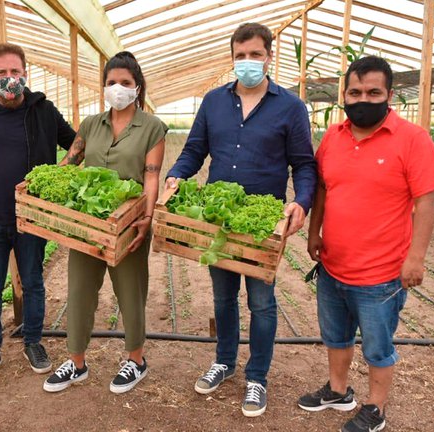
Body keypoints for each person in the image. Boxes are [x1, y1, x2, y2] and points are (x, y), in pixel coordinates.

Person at [165, 23, 316, 417]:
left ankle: (257, 378)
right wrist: (176, 174)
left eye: (255, 54)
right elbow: (194, 150)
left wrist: (301, 201)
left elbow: (303, 165)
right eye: (240, 55)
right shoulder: (214, 101)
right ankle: (224, 361)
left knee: (262, 302)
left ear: (269, 56)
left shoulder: (290, 107)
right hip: (220, 217)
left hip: (262, 221)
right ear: (232, 57)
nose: (248, 62)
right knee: (222, 296)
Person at [297, 55, 434, 432]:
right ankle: (337, 390)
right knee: (335, 336)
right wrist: (315, 232)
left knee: (377, 346)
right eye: (355, 92)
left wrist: (417, 258)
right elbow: (324, 190)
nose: (363, 99)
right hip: (333, 264)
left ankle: (375, 408)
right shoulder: (333, 136)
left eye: (373, 92)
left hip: (381, 275)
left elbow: (426, 201)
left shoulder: (412, 139)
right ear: (344, 94)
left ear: (389, 94)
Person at [43, 51, 167, 394]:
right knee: (80, 289)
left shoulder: (152, 128)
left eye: (125, 83)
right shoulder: (90, 125)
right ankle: (77, 363)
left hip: (129, 222)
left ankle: (136, 360)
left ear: (137, 87)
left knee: (130, 290)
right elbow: (69, 163)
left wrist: (147, 214)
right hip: (88, 222)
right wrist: (40, 185)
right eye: (111, 82)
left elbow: (152, 176)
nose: (117, 88)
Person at [0, 43, 76, 387]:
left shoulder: (43, 110)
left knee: (34, 282)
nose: (10, 79)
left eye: (15, 72)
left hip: (31, 218)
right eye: (2, 73)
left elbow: (77, 145)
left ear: (25, 73)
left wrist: (54, 177)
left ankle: (34, 343)